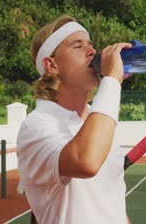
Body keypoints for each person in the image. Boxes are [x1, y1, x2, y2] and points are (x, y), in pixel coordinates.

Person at [17, 15, 132, 223]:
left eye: (90, 44)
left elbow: (113, 204)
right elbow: (86, 161)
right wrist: (112, 80)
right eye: (78, 46)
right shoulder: (37, 126)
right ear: (51, 65)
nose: (92, 51)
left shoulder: (99, 119)